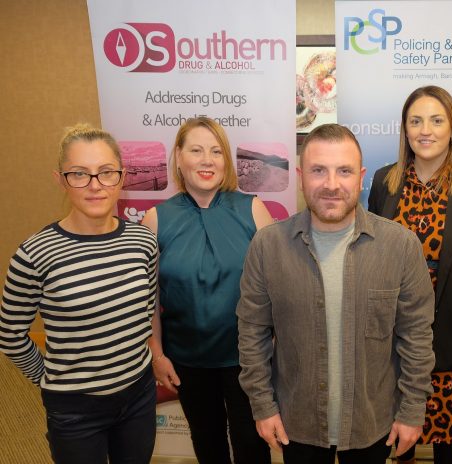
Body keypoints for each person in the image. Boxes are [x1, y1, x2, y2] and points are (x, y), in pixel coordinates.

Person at [236, 123, 436, 464]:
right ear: (300, 176)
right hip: (296, 424)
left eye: (343, 171)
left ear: (360, 177)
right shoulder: (267, 246)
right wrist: (263, 406)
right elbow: (252, 333)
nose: (331, 184)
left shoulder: (400, 247)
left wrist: (412, 411)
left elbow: (416, 337)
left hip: (372, 426)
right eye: (318, 171)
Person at [0, 124, 158, 464]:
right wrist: (45, 378)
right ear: (60, 179)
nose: (95, 185)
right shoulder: (35, 254)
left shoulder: (143, 242)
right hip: (75, 410)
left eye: (105, 173)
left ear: (122, 177)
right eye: (79, 174)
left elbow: (146, 311)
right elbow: (10, 333)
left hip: (139, 396)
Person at [368, 85, 452, 464]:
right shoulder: (385, 182)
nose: (424, 130)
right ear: (405, 130)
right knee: (397, 421)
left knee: (448, 425)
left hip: (450, 329)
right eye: (415, 121)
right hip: (392, 327)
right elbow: (371, 252)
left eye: (435, 120)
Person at [141, 116, 273, 464]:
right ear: (179, 158)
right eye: (196, 150)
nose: (207, 160)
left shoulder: (253, 210)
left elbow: (277, 289)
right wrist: (157, 353)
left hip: (248, 357)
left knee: (252, 443)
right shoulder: (156, 219)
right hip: (187, 358)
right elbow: (149, 301)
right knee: (207, 440)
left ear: (226, 161)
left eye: (216, 151)